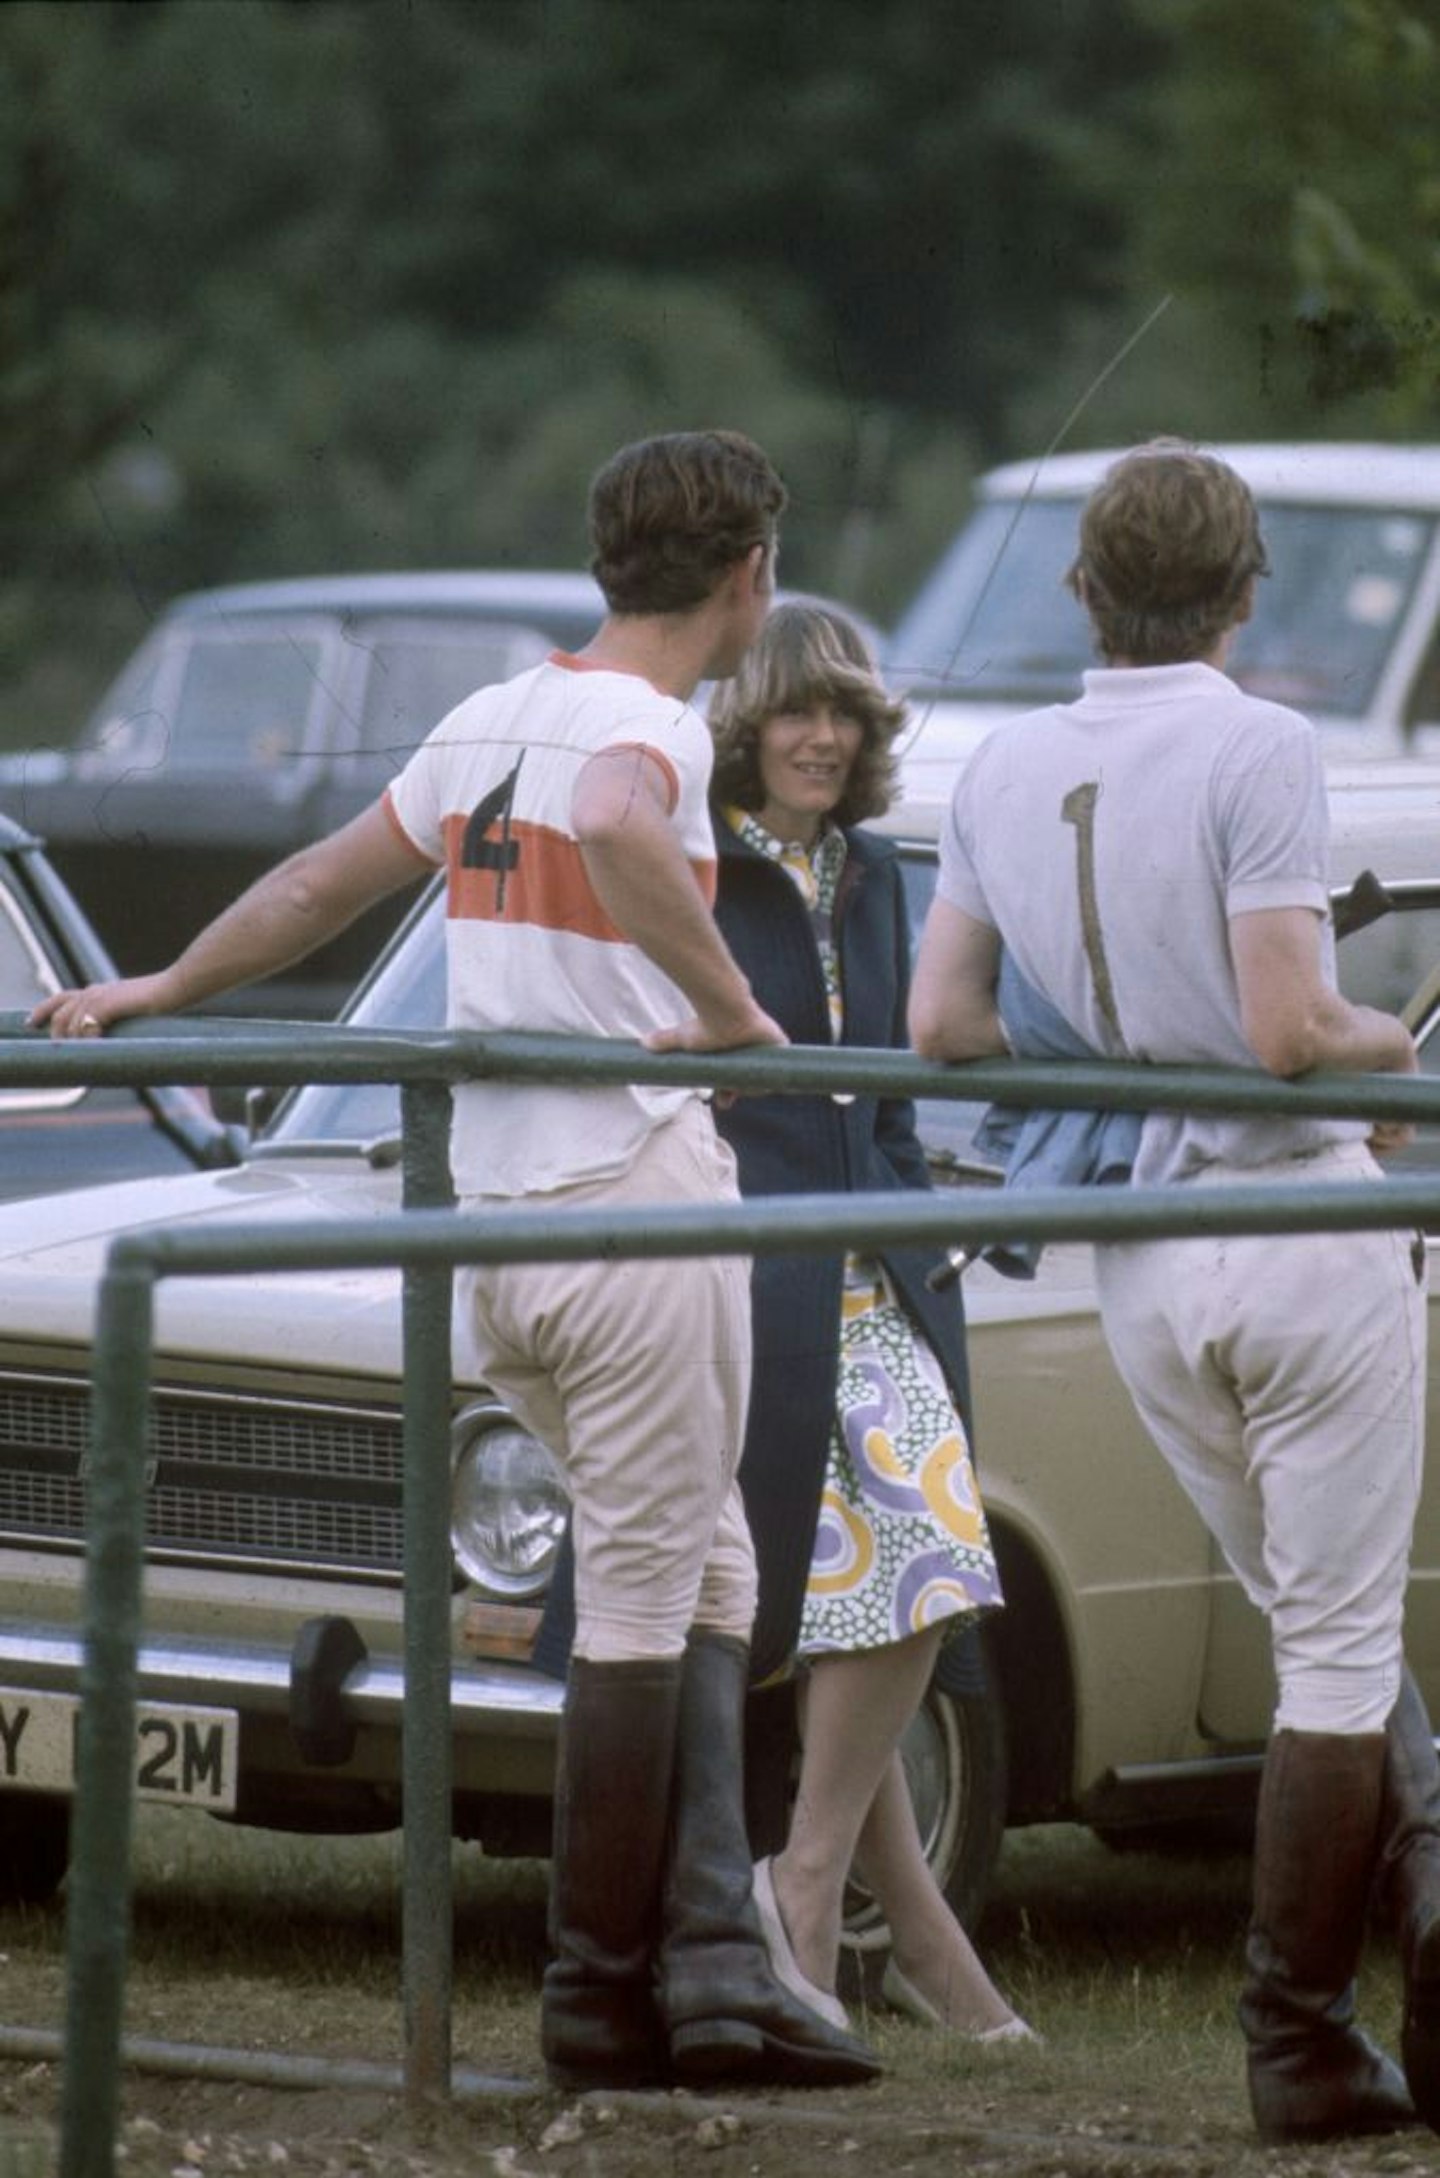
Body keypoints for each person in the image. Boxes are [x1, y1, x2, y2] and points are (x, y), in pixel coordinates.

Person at [31, 429, 879, 2097]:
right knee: (648, 1594)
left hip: (500, 1227)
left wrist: (158, 987)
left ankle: (713, 1974)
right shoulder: (645, 730)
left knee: (705, 1566)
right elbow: (632, 830)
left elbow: (314, 883)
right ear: (746, 576)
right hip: (630, 1202)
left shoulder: (493, 713)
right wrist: (730, 1013)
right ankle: (594, 1994)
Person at [908, 438, 1440, 2142]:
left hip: (1144, 1250)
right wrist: (1389, 1044)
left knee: (1311, 1618)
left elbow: (946, 1027)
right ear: (1244, 588)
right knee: (1342, 1655)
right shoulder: (1261, 742)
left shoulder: (999, 763)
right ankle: (1297, 2033)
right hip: (1294, 1220)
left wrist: (1124, 1026)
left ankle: (1393, 1938)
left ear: (1084, 585)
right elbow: (1292, 1026)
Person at [697, 600, 1032, 2042]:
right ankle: (864, 1914)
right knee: (888, 1569)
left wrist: (918, 1251)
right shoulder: (701, 868)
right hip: (752, 1276)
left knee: (916, 1557)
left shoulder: (882, 872)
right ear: (746, 727)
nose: (823, 736)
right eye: (794, 710)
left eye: (844, 712)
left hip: (875, 1270)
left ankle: (821, 1893)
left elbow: (890, 1102)